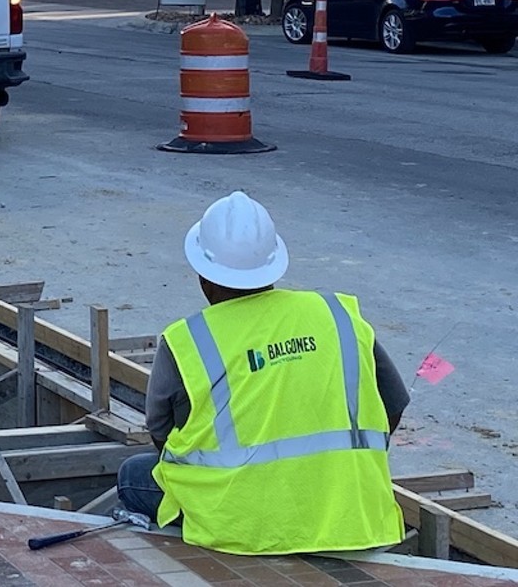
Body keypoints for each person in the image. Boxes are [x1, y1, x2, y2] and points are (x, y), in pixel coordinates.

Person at [116, 191, 407, 555]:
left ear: (203, 276)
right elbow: (393, 407)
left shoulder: (189, 340)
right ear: (272, 266)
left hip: (242, 526)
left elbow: (162, 436)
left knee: (133, 477)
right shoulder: (337, 314)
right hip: (352, 514)